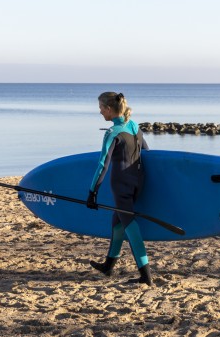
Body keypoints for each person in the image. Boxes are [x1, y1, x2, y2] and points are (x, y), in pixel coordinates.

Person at [86, 92, 153, 286]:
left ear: (108, 109)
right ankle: (108, 266)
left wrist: (93, 192)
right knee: (117, 222)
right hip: (137, 182)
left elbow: (102, 165)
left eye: (100, 108)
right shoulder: (134, 126)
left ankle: (145, 276)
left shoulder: (112, 132)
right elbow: (148, 153)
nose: (100, 112)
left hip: (121, 185)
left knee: (131, 227)